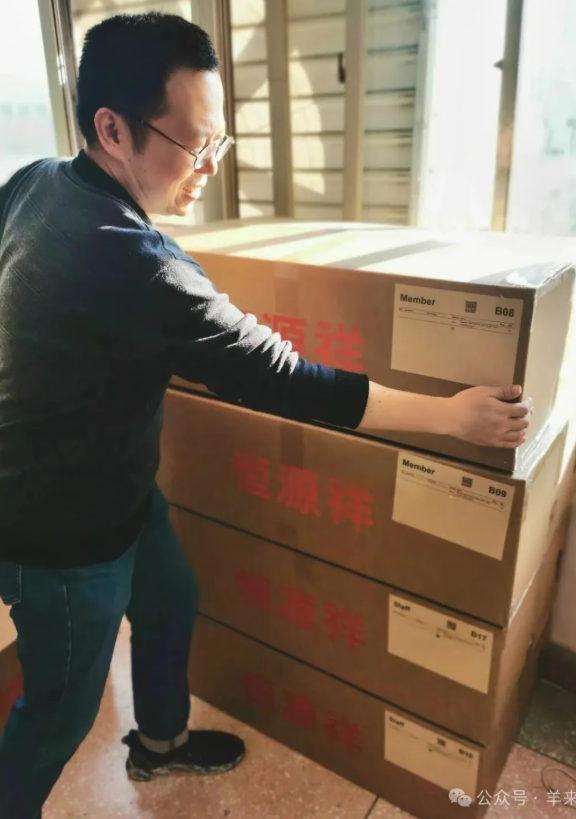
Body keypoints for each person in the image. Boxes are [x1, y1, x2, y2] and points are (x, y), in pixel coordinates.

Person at [0, 12, 530, 818]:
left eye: (218, 139)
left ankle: (159, 744)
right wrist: (450, 418)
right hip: (58, 534)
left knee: (169, 598)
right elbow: (282, 376)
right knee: (58, 713)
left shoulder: (37, 180)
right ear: (112, 129)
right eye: (193, 143)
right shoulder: (136, 263)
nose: (210, 164)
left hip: (115, 488)